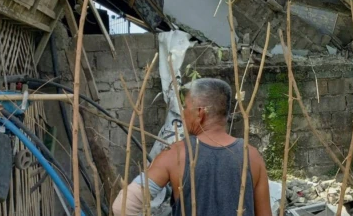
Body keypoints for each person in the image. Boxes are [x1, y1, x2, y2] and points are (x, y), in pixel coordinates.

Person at [112, 78, 271, 216]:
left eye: (185, 107)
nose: (182, 114)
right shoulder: (252, 155)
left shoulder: (175, 155)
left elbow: (122, 207)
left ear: (200, 113)